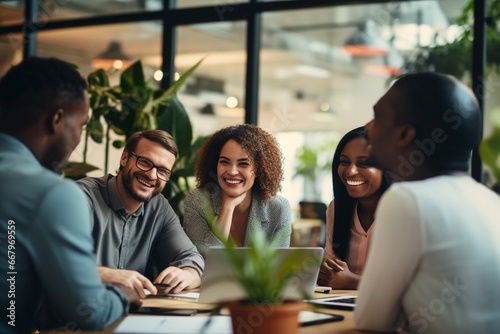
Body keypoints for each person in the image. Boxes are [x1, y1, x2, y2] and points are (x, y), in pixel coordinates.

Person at [0, 57, 140, 333]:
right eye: (82, 124)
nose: (78, 139)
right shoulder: (50, 192)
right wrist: (124, 295)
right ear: (57, 120)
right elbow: (89, 311)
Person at [354, 72, 500, 333]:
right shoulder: (490, 200)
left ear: (404, 135)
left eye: (377, 117)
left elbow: (371, 320)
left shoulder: (407, 199)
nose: (367, 126)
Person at [77, 130, 204, 297]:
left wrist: (187, 274)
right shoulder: (82, 197)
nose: (152, 175)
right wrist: (109, 275)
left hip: (133, 317)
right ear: (124, 158)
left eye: (162, 171)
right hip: (72, 318)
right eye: (145, 162)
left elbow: (192, 258)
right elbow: (56, 261)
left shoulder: (159, 208)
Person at [183, 124, 291, 256]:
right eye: (224, 162)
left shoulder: (278, 208)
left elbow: (277, 269)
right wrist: (227, 207)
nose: (232, 171)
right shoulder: (197, 202)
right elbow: (202, 259)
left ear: (259, 169)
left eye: (243, 164)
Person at [317, 126, 390, 289]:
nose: (350, 171)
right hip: (341, 306)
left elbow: (410, 283)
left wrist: (352, 282)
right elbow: (332, 271)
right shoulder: (336, 209)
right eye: (344, 162)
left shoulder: (403, 213)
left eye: (363, 163)